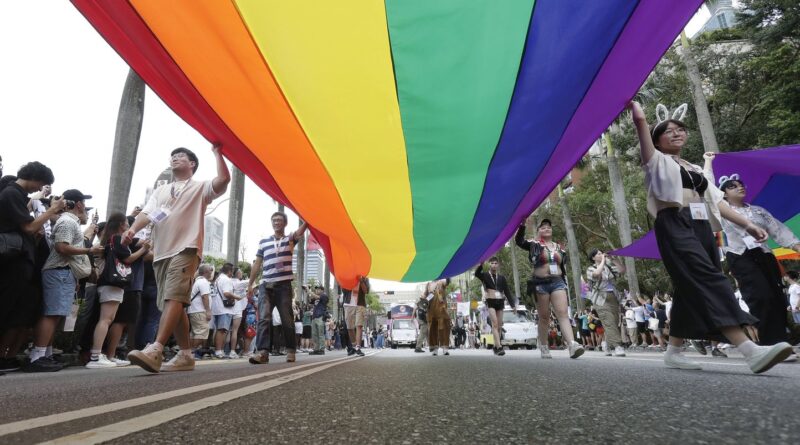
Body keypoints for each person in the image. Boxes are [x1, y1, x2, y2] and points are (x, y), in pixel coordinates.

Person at [630, 101, 792, 372]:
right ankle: (749, 349)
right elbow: (643, 137)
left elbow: (718, 202)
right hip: (674, 222)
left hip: (701, 224)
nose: (677, 133)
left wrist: (748, 225)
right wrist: (640, 119)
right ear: (657, 140)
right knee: (709, 278)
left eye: (680, 129)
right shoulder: (655, 162)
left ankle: (673, 350)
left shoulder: (693, 167)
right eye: (668, 131)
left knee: (688, 285)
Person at [124, 144, 230, 373]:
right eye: (172, 156)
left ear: (192, 164)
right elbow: (146, 213)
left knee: (173, 297)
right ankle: (185, 355)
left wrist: (217, 153)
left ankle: (156, 349)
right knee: (175, 303)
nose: (174, 158)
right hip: (161, 253)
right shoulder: (162, 191)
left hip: (187, 248)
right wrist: (132, 230)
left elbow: (223, 180)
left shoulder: (200, 187)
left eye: (180, 156)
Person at [711, 168, 800, 348]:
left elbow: (778, 230)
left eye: (741, 184)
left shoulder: (759, 211)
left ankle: (782, 342)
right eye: (732, 186)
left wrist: (796, 246)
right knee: (761, 297)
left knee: (776, 297)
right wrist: (707, 163)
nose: (739, 187)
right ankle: (771, 343)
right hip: (740, 256)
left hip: (765, 256)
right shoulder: (719, 211)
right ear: (724, 193)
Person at [0, 163, 65, 373]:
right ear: (35, 177)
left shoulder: (16, 194)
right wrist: (52, 211)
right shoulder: (12, 193)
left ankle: (5, 357)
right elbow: (28, 226)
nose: (39, 189)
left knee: (11, 311)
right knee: (4, 308)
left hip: (20, 261)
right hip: (12, 263)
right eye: (41, 184)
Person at [32, 189, 103, 371]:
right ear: (79, 204)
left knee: (56, 314)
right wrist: (89, 251)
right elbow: (62, 248)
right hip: (59, 271)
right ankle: (37, 356)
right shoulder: (67, 221)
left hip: (64, 272)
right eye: (84, 203)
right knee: (52, 314)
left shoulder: (69, 222)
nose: (85, 207)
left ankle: (45, 354)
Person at [86, 212, 150, 368]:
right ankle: (95, 356)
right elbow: (127, 259)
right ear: (122, 225)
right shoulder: (117, 239)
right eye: (127, 225)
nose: (129, 228)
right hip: (112, 283)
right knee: (106, 319)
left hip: (111, 283)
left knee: (108, 319)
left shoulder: (111, 239)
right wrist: (143, 250)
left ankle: (101, 355)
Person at [516, 218, 584, 359]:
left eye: (548, 227)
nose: (546, 228)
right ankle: (544, 345)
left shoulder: (559, 248)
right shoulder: (534, 244)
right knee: (544, 317)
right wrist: (522, 225)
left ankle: (572, 344)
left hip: (557, 281)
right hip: (540, 283)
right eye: (543, 227)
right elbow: (519, 241)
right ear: (538, 231)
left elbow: (562, 265)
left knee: (563, 313)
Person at [247, 212, 307, 365]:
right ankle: (262, 353)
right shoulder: (264, 242)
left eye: (279, 220)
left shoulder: (290, 240)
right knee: (264, 319)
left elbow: (300, 231)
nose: (276, 222)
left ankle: (291, 350)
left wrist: (308, 220)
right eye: (274, 220)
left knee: (287, 320)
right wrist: (250, 283)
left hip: (284, 286)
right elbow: (257, 263)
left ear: (285, 223)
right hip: (265, 286)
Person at [586, 249, 627, 357]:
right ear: (593, 258)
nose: (601, 255)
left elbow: (622, 271)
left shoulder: (608, 267)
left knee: (614, 321)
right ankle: (618, 346)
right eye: (598, 254)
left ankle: (607, 344)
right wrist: (604, 260)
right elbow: (596, 274)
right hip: (600, 298)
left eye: (601, 253)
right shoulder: (591, 269)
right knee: (608, 321)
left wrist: (615, 259)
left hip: (613, 296)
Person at [474, 257, 516, 356]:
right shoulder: (485, 275)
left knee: (500, 325)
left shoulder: (502, 278)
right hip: (490, 301)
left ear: (498, 265)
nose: (494, 265)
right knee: (495, 324)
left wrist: (513, 305)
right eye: (492, 263)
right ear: (489, 264)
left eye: (495, 263)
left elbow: (507, 292)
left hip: (500, 301)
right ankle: (499, 346)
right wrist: (480, 265)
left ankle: (495, 346)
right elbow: (476, 274)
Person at [211, 263, 241, 359]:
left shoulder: (218, 279)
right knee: (222, 330)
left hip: (216, 307)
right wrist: (236, 297)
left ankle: (219, 350)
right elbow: (226, 293)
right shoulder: (226, 280)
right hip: (224, 309)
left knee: (219, 330)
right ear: (229, 271)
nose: (232, 274)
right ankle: (219, 350)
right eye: (232, 271)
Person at [187, 264, 213, 360]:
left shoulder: (198, 281)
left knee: (195, 333)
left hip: (194, 310)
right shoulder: (203, 282)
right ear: (206, 272)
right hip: (200, 310)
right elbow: (204, 297)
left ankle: (188, 353)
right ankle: (191, 352)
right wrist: (208, 311)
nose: (211, 272)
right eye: (210, 270)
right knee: (201, 332)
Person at [342, 276, 370, 357]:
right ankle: (354, 346)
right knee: (349, 327)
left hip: (360, 304)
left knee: (359, 325)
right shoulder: (347, 277)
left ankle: (358, 347)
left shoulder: (365, 278)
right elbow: (344, 290)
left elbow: (366, 291)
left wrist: (361, 281)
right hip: (348, 304)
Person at [426, 279, 452, 356]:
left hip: (442, 311)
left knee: (444, 329)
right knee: (432, 330)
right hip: (431, 312)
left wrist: (447, 274)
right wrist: (423, 299)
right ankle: (435, 349)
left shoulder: (441, 282)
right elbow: (426, 296)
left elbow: (447, 282)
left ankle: (445, 349)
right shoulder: (428, 284)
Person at [309, 285, 328, 355]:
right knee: (314, 334)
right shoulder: (315, 298)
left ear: (322, 290)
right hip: (314, 317)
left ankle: (322, 349)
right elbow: (310, 302)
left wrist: (309, 291)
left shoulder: (324, 296)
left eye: (318, 289)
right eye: (316, 289)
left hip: (320, 316)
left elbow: (317, 297)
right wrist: (309, 293)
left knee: (320, 334)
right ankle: (316, 349)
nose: (317, 290)